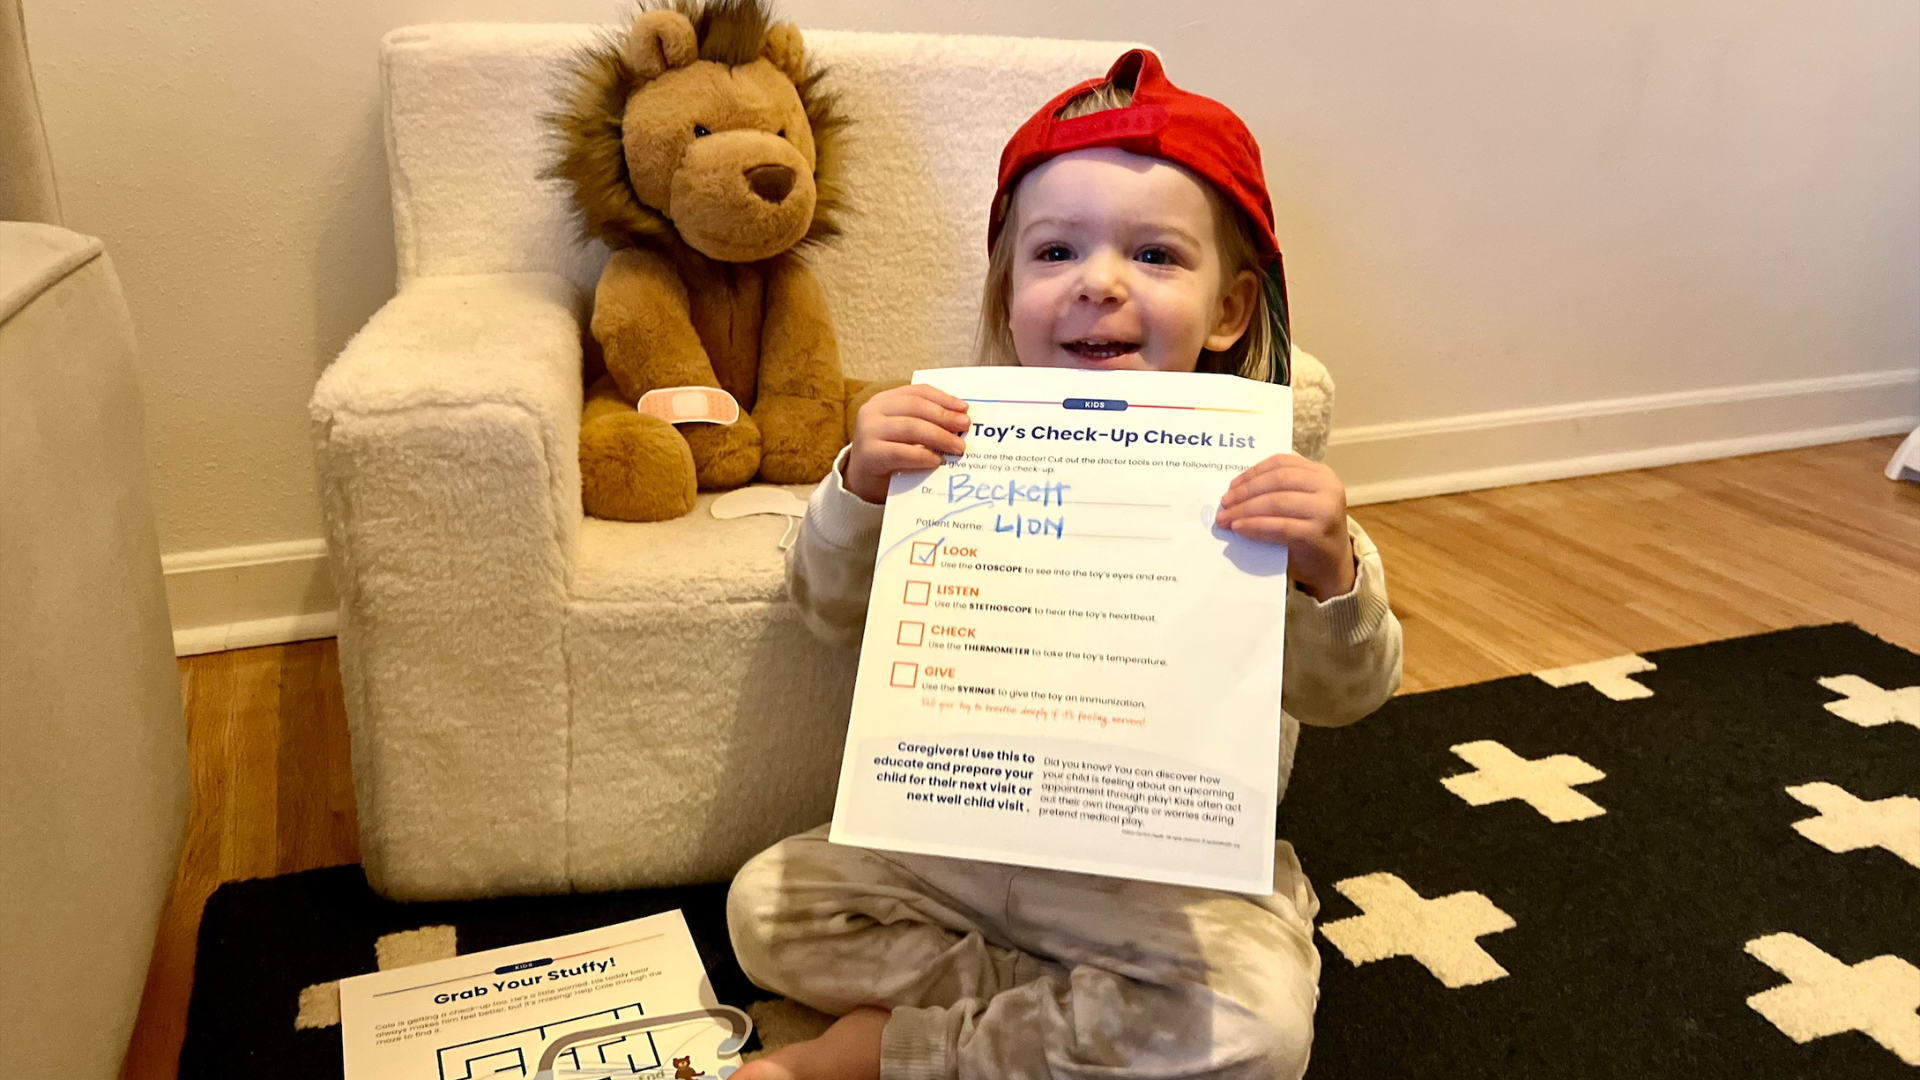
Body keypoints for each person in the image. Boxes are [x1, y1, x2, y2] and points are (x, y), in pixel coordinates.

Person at [727, 49, 1402, 1080]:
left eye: (1156, 255)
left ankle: (892, 1051)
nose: (1099, 281)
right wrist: (860, 486)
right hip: (963, 838)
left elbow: (1347, 693)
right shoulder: (946, 443)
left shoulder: (1267, 484)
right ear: (1009, 295)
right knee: (765, 913)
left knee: (1259, 1032)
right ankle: (1072, 1012)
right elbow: (826, 609)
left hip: (1170, 872)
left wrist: (1330, 572)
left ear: (1229, 310)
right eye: (1055, 252)